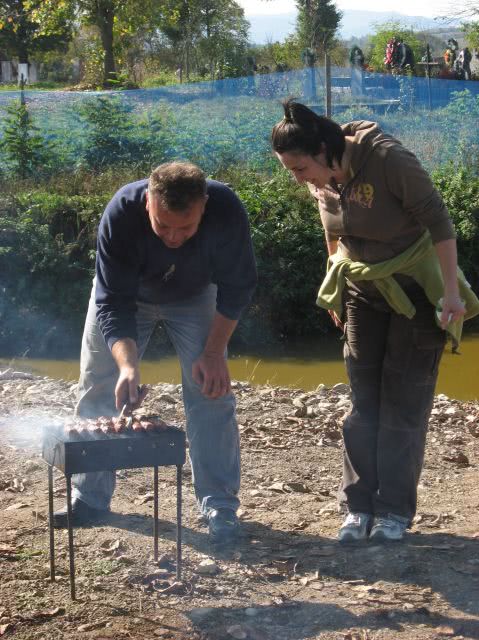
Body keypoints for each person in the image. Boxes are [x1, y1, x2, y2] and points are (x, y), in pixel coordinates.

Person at [271, 99, 479, 544]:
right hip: (362, 292)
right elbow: (332, 228)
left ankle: (393, 511)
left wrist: (449, 291)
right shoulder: (321, 176)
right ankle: (358, 505)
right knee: (363, 403)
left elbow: (439, 221)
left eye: (299, 168)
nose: (297, 178)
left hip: (415, 292)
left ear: (325, 149)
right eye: (290, 170)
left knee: (403, 403)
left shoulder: (387, 159)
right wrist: (336, 280)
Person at [53, 161, 257, 543]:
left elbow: (239, 286)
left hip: (196, 295)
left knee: (210, 390)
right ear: (148, 201)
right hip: (130, 297)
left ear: (204, 206)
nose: (174, 237)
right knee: (101, 383)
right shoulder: (121, 212)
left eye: (187, 227)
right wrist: (128, 368)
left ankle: (219, 505)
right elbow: (112, 303)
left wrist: (213, 354)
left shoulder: (226, 208)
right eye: (163, 225)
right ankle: (90, 496)